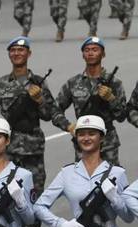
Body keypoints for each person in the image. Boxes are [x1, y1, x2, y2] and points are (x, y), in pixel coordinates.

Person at [0, 36, 60, 227]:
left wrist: (39, 99)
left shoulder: (39, 83)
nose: (17, 54)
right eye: (13, 50)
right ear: (9, 55)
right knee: (4, 191)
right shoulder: (1, 84)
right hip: (8, 148)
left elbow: (49, 114)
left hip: (32, 145)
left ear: (28, 54)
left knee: (33, 192)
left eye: (21, 50)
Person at [53, 37, 127, 166]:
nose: (90, 53)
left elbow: (121, 116)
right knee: (83, 182)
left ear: (103, 54)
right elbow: (54, 109)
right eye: (87, 50)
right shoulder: (73, 83)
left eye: (95, 49)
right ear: (83, 55)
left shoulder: (115, 83)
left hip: (108, 144)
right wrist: (68, 126)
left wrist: (111, 98)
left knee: (111, 182)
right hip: (83, 142)